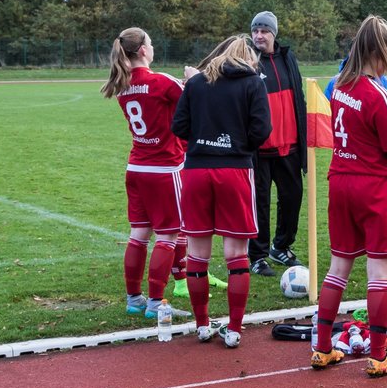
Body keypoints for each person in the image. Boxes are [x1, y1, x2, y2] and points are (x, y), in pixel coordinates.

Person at [310, 16, 387, 377]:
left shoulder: (338, 85)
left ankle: (322, 347)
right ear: (381, 52)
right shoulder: (376, 92)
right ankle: (379, 355)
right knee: (379, 270)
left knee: (338, 267)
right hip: (373, 185)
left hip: (341, 180)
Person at [171, 35, 272, 348]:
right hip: (235, 170)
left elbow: (179, 126)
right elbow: (262, 130)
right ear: (249, 59)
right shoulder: (253, 83)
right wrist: (238, 144)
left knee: (197, 255)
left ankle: (201, 325)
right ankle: (235, 328)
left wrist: (205, 139)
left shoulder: (197, 83)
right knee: (236, 255)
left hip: (197, 170)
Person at [100, 28, 189, 320]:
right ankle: (155, 303)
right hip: (164, 169)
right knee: (167, 236)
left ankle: (134, 299)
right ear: (142, 50)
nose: (152, 47)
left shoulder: (123, 84)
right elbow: (193, 105)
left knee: (138, 234)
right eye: (150, 43)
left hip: (136, 168)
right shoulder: (162, 82)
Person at [249, 11, 308, 277]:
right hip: (259, 149)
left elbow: (299, 97)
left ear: (274, 33)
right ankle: (258, 255)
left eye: (264, 31)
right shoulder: (248, 60)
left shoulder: (288, 58)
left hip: (290, 146)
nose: (259, 36)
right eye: (255, 31)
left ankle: (281, 246)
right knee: (259, 203)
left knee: (292, 198)